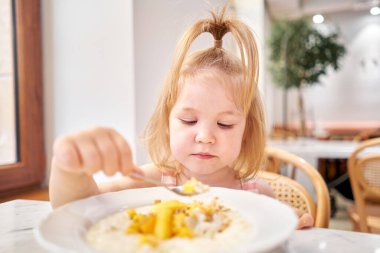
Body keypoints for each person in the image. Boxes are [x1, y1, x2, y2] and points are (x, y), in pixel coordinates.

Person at [49, 6, 313, 229]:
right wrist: (68, 165)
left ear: (247, 132)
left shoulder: (256, 193)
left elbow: (286, 230)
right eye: (188, 121)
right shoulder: (151, 180)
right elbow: (78, 206)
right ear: (167, 123)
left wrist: (296, 224)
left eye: (225, 124)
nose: (205, 137)